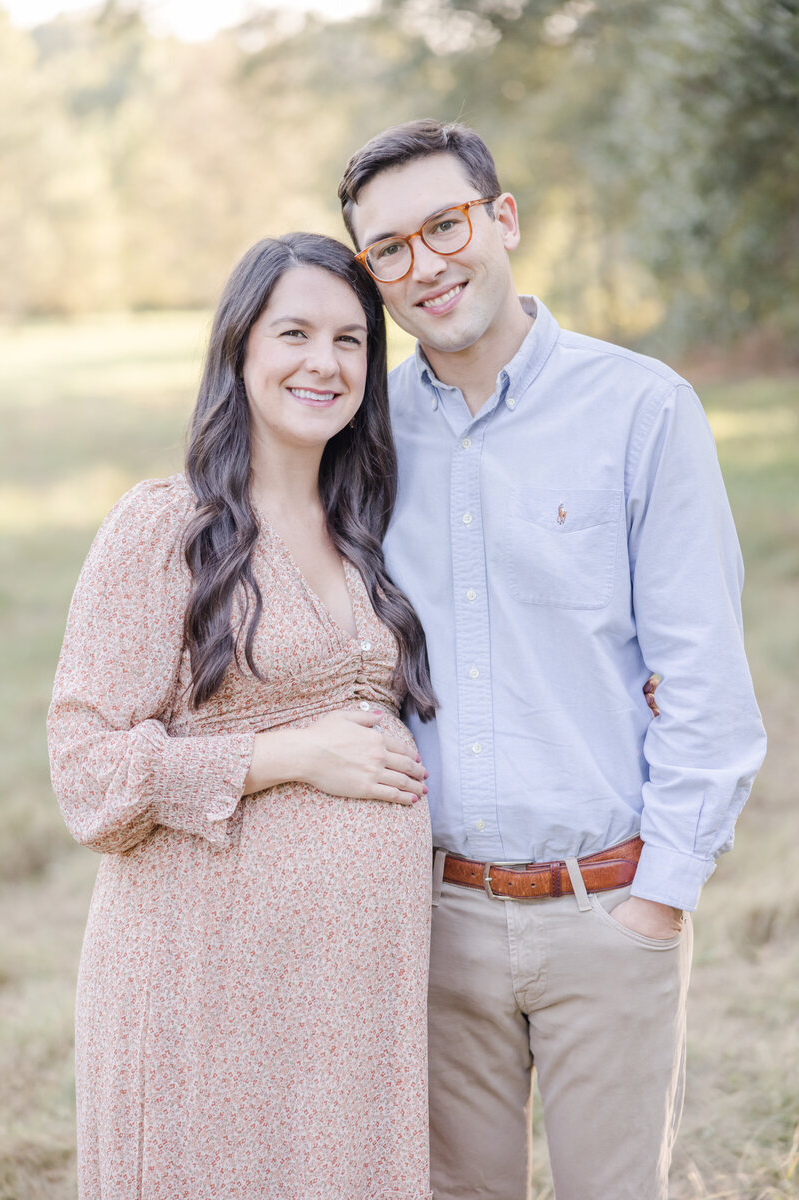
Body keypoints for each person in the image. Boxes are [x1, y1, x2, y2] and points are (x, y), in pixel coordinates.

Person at [337, 119, 767, 1200]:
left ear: (503, 219)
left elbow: (705, 680)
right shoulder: (363, 437)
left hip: (606, 912)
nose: (425, 264)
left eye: (444, 225)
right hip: (429, 924)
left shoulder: (640, 409)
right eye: (389, 248)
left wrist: (657, 901)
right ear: (371, 274)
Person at [47, 233, 437, 1200]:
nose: (326, 362)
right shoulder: (162, 527)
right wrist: (294, 753)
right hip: (206, 991)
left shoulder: (366, 529)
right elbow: (87, 774)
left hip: (349, 1004)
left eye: (351, 341)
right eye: (295, 332)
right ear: (240, 349)